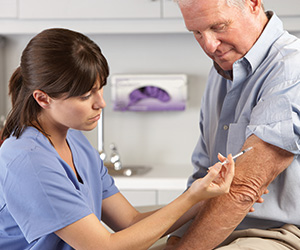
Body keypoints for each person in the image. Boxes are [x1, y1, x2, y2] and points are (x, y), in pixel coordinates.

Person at [0, 28, 236, 250]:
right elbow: (105, 246)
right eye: (84, 96)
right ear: (43, 98)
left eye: (100, 88)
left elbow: (130, 222)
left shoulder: (76, 140)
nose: (100, 103)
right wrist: (191, 198)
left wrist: (204, 199)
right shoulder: (28, 159)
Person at [165, 0, 300, 249]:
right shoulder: (221, 73)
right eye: (196, 33)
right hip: (223, 228)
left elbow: (244, 189)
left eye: (219, 27)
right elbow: (203, 181)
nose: (209, 45)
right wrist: (177, 238)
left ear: (253, 4)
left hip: (279, 234)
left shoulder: (291, 69)